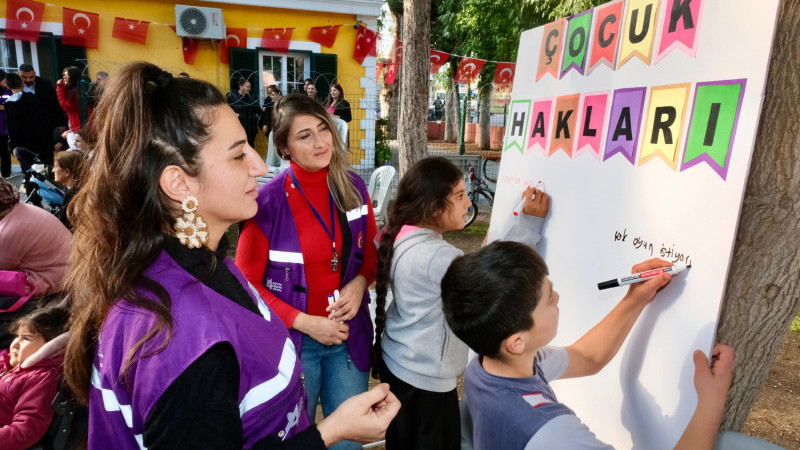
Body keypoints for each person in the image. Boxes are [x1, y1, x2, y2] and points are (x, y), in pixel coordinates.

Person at [63, 62, 398, 450]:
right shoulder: (184, 343)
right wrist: (329, 432)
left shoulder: (200, 266)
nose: (259, 167)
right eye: (239, 156)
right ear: (179, 182)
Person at [441, 241, 736, 450]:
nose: (557, 299)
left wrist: (635, 298)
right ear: (517, 342)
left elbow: (587, 356)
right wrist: (711, 400)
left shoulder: (485, 369)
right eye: (549, 299)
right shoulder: (553, 433)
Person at [371, 156, 549, 450]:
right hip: (424, 381)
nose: (468, 203)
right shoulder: (437, 256)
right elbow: (498, 279)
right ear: (432, 204)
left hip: (401, 364)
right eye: (459, 195)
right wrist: (529, 222)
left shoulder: (401, 236)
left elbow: (468, 271)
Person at [236, 93, 379, 450]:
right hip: (293, 344)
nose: (320, 142)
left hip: (348, 337)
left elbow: (371, 257)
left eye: (323, 129)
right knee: (300, 442)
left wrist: (360, 284)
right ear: (284, 148)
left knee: (347, 442)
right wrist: (303, 321)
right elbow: (247, 283)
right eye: (305, 136)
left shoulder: (354, 188)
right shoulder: (266, 202)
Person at [0, 306, 70, 450]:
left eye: (26, 338)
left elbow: (24, 431)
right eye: (17, 336)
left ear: (50, 347)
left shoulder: (41, 379)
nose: (15, 344)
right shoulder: (11, 364)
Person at [4, 73, 54, 171]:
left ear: (8, 86)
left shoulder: (11, 105)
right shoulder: (35, 99)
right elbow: (47, 121)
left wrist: (13, 147)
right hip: (43, 142)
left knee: (31, 175)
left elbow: (12, 129)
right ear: (22, 84)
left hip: (25, 146)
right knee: (48, 172)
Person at [18, 64, 67, 132]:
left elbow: (54, 105)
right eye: (24, 77)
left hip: (44, 124)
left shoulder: (45, 84)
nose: (28, 80)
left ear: (35, 74)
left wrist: (61, 124)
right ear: (19, 74)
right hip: (23, 125)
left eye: (31, 77)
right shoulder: (14, 84)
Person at [52, 149, 86, 230]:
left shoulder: (76, 195)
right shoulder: (72, 190)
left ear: (67, 172)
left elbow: (64, 224)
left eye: (56, 167)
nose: (52, 170)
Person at [226, 77, 261, 148]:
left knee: (250, 148)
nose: (249, 89)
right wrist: (232, 114)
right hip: (237, 128)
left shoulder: (251, 98)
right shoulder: (231, 96)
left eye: (250, 87)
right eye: (247, 87)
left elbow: (258, 110)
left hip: (250, 129)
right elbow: (225, 109)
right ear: (241, 86)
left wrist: (256, 117)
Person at [56, 66, 84, 132]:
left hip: (80, 128)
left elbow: (66, 106)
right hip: (79, 127)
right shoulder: (76, 89)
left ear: (73, 76)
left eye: (67, 75)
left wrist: (60, 88)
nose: (64, 77)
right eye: (64, 75)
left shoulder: (76, 92)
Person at [0, 70, 12, 177]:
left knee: (5, 153)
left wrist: (5, 107)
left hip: (5, 128)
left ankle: (6, 175)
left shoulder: (8, 91)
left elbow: (12, 106)